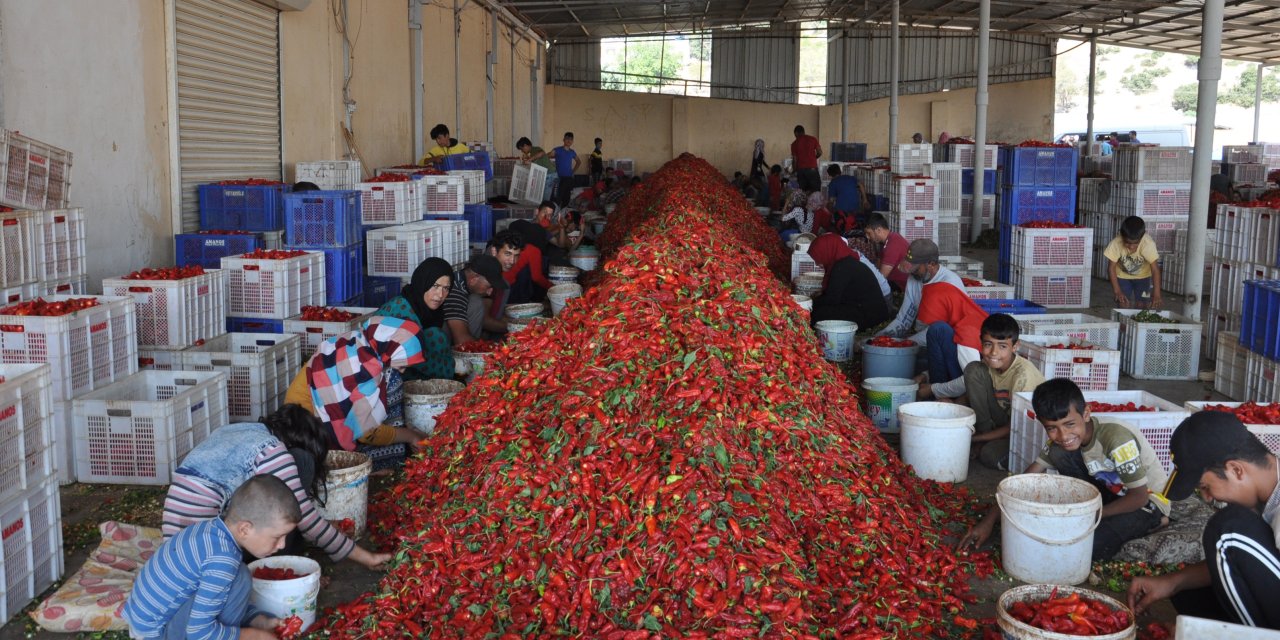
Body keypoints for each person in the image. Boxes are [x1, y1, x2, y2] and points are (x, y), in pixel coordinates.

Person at [959, 378, 1170, 560]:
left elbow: (1139, 497)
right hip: (1112, 493)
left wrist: (1089, 515)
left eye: (1070, 424)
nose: (1063, 436)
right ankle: (1102, 514)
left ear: (1086, 414)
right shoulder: (1062, 444)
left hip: (1146, 501)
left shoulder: (1116, 438)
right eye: (1052, 428)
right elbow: (1022, 481)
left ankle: (1155, 521)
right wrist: (988, 522)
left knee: (1085, 548)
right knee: (1059, 453)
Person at [160, 404, 390, 570]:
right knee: (303, 461)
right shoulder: (273, 451)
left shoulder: (234, 430)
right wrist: (366, 557)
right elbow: (306, 520)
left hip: (174, 547)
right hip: (203, 554)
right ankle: (280, 565)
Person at [1127, 412, 1280, 629]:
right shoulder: (1264, 497)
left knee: (1228, 532)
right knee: (1190, 595)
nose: (1207, 498)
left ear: (1236, 470)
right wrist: (1172, 583)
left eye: (1205, 487)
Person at [124, 475, 300, 640]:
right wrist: (253, 635)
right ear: (245, 529)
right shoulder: (223, 559)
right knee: (241, 577)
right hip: (157, 633)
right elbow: (198, 633)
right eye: (277, 537)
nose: (282, 545)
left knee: (238, 576)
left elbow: (219, 595)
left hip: (147, 622)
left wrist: (258, 621)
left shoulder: (211, 530)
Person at [285, 317, 428, 467]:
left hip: (294, 416)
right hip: (307, 434)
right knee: (393, 380)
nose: (404, 370)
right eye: (403, 364)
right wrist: (411, 436)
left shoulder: (359, 341)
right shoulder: (367, 369)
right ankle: (384, 463)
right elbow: (367, 434)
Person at [962, 314, 1046, 470]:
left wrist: (972, 439)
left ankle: (985, 442)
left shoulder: (1023, 376)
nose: (994, 352)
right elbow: (976, 393)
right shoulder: (988, 365)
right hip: (1002, 419)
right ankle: (985, 437)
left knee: (989, 455)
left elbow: (1014, 425)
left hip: (1026, 431)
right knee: (974, 369)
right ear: (981, 343)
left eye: (1002, 346)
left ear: (1015, 346)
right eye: (988, 344)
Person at [374, 257, 455, 381]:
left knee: (435, 336)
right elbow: (413, 356)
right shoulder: (403, 310)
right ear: (422, 282)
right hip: (376, 373)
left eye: (446, 288)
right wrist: (451, 367)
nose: (440, 295)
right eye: (435, 286)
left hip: (401, 365)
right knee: (436, 337)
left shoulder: (426, 309)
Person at [877, 238, 965, 343]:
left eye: (916, 269)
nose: (912, 273)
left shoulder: (950, 283)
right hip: (923, 336)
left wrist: (905, 343)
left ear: (931, 264)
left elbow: (942, 330)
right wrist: (878, 338)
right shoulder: (914, 278)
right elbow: (903, 320)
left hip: (949, 341)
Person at [915, 279, 987, 401]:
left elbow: (971, 380)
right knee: (940, 330)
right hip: (976, 375)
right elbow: (957, 360)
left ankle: (938, 400)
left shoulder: (967, 330)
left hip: (979, 390)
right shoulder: (967, 315)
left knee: (938, 330)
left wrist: (933, 389)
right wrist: (925, 375)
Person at [806, 234, 892, 329]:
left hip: (870, 316)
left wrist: (809, 305)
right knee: (819, 310)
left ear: (827, 251)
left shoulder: (843, 267)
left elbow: (831, 299)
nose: (818, 263)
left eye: (819, 257)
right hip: (864, 309)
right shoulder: (845, 261)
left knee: (819, 314)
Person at [444, 255, 509, 344]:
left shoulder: (461, 279)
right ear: (474, 279)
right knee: (476, 301)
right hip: (439, 341)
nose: (489, 292)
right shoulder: (455, 291)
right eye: (489, 286)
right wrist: (494, 348)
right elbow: (461, 341)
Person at [1105, 215, 1163, 310]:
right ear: (1122, 236)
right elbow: (1111, 268)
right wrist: (1117, 291)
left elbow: (1155, 269)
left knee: (1143, 305)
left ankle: (1140, 324)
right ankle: (1122, 325)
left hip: (1144, 279)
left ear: (1142, 237)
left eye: (1136, 243)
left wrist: (1157, 293)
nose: (1131, 247)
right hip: (1122, 277)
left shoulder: (1148, 244)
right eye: (1127, 242)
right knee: (1122, 304)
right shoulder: (1115, 243)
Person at [507, 220, 554, 303]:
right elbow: (536, 277)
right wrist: (552, 287)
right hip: (511, 289)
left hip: (499, 285)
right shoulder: (533, 250)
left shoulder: (514, 245)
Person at [483, 231, 524, 323]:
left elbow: (495, 315)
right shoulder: (485, 278)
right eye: (507, 254)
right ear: (494, 251)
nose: (512, 261)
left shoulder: (501, 281)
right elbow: (485, 321)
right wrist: (519, 327)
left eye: (516, 256)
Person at [864, 213, 910, 292]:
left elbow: (881, 278)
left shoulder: (893, 244)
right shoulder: (886, 241)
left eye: (869, 233)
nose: (867, 237)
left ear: (878, 230)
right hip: (894, 283)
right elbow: (877, 266)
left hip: (900, 287)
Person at [517, 136, 557, 203]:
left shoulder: (535, 149)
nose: (522, 151)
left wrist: (529, 160)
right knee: (543, 197)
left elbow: (542, 153)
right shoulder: (532, 153)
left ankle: (545, 210)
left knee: (545, 198)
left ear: (525, 145)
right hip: (547, 175)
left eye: (522, 149)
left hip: (550, 174)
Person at [825, 164, 864, 232]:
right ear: (840, 171)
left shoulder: (833, 183)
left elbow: (831, 201)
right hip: (856, 208)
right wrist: (865, 200)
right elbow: (861, 185)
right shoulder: (851, 178)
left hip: (842, 212)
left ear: (830, 175)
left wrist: (828, 210)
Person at [548, 132, 580, 207]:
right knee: (557, 198)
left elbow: (579, 162)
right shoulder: (557, 150)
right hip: (559, 178)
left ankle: (562, 214)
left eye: (571, 139)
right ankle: (555, 214)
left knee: (566, 199)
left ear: (572, 141)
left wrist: (573, 171)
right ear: (563, 140)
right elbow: (546, 157)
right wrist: (552, 165)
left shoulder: (572, 152)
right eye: (567, 139)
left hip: (569, 178)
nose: (569, 141)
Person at [790, 125, 822, 192]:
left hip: (801, 171)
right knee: (815, 191)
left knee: (802, 192)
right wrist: (814, 158)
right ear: (803, 131)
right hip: (812, 169)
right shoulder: (813, 139)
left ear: (796, 133)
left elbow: (795, 160)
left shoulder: (794, 144)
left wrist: (794, 170)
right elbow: (820, 152)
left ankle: (804, 202)